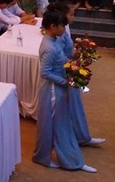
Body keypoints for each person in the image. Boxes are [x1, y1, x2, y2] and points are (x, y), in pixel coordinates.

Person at [32, 9, 96, 172]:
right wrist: (66, 81)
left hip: (57, 88)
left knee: (58, 123)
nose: (64, 29)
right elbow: (45, 73)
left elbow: (61, 61)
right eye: (62, 26)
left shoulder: (54, 40)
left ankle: (45, 157)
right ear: (53, 26)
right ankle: (68, 160)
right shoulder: (49, 47)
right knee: (58, 125)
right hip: (53, 91)